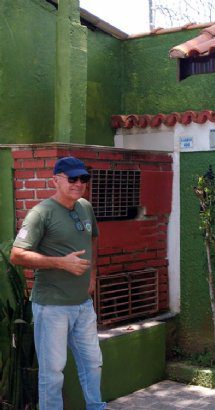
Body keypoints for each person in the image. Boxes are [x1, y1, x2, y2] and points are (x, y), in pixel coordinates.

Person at [10, 156, 105, 410]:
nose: (78, 184)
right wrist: (61, 263)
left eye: (83, 178)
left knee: (93, 363)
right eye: (72, 178)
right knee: (52, 373)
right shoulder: (40, 213)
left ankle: (97, 407)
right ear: (56, 180)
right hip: (52, 307)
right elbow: (17, 254)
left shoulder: (85, 207)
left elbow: (93, 238)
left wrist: (92, 275)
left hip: (83, 305)